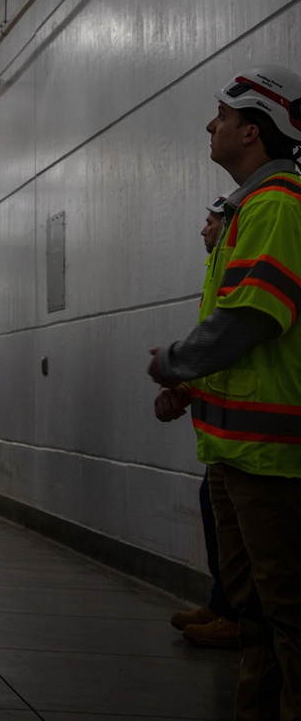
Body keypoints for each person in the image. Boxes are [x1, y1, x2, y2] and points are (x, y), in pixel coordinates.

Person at [148, 65, 301, 721]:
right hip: (237, 451)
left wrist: (175, 364)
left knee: (287, 613)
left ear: (252, 130)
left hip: (271, 459)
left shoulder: (277, 206)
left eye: (222, 116)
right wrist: (192, 384)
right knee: (255, 614)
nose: (210, 125)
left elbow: (250, 319)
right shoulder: (250, 209)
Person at [155, 199, 239, 649]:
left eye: (210, 222)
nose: (203, 230)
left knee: (244, 537)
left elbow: (236, 338)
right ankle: (224, 603)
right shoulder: (216, 274)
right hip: (223, 433)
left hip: (252, 436)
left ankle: (235, 613)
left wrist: (175, 365)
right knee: (216, 513)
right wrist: (187, 389)